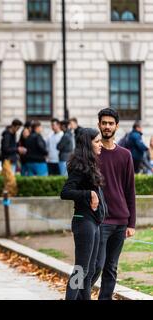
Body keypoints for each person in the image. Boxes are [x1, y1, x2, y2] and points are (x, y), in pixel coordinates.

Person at [90, 108, 136, 300]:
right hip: (100, 220)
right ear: (99, 125)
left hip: (120, 220)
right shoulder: (93, 153)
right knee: (96, 265)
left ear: (116, 126)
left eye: (111, 123)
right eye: (104, 123)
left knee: (111, 267)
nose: (107, 126)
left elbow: (129, 190)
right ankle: (77, 295)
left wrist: (131, 223)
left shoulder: (125, 155)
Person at [61, 128, 105, 300]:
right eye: (97, 141)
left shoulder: (90, 164)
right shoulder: (79, 167)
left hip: (94, 222)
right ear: (88, 144)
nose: (100, 144)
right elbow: (65, 192)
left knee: (91, 269)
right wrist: (89, 194)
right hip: (83, 221)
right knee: (81, 269)